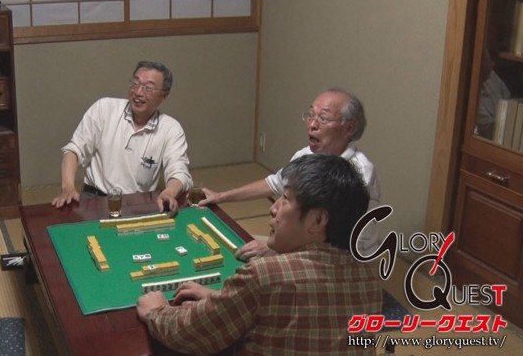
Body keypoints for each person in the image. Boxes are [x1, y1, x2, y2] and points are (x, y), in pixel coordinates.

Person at [136, 153, 383, 355]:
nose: (273, 208)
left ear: (317, 220)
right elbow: (295, 319)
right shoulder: (369, 278)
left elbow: (191, 335)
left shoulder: (265, 275)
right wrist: (220, 299)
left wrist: (156, 311)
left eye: (285, 200)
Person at [200, 87, 380, 258]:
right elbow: (274, 183)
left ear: (349, 128)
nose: (312, 125)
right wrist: (221, 196)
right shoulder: (306, 155)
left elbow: (339, 238)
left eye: (323, 119)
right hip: (301, 244)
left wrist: (277, 251)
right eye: (310, 115)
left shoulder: (359, 172)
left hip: (346, 255)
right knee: (233, 243)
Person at [52, 60, 192, 212]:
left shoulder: (171, 129)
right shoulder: (104, 108)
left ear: (164, 95)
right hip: (94, 199)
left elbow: (179, 171)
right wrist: (68, 187)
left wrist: (169, 192)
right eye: (135, 83)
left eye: (148, 88)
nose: (138, 92)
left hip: (139, 204)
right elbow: (74, 150)